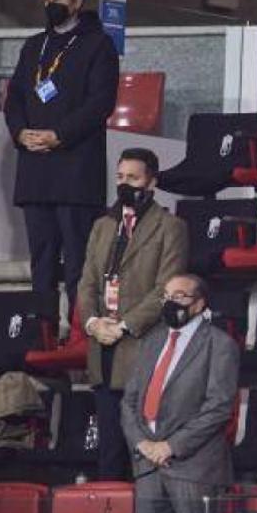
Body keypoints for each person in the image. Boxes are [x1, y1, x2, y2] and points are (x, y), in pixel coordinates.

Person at [3, 0, 118, 328]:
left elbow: (100, 103)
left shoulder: (98, 45)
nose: (51, 6)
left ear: (78, 2)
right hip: (36, 170)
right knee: (42, 259)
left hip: (75, 168)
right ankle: (43, 333)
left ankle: (80, 335)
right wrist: (20, 132)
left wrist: (59, 135)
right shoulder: (34, 45)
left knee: (78, 260)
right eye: (47, 0)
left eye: (59, 0)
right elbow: (16, 98)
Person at [76, 148, 187, 481]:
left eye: (133, 178)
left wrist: (123, 326)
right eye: (120, 177)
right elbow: (87, 282)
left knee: (142, 446)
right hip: (102, 348)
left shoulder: (171, 227)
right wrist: (94, 323)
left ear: (151, 181)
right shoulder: (102, 226)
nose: (125, 184)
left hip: (142, 348)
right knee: (108, 447)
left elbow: (166, 288)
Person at [120, 274, 240, 513]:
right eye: (167, 297)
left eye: (179, 297)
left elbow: (219, 407)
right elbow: (129, 401)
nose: (170, 303)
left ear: (199, 304)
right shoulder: (151, 342)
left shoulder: (219, 344)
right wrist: (141, 443)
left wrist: (171, 446)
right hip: (148, 466)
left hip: (194, 469)